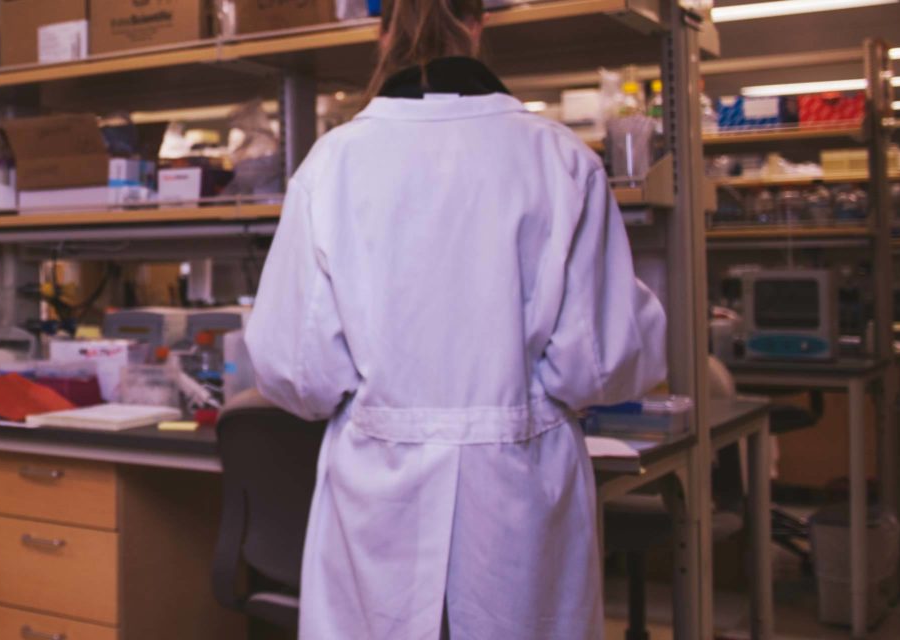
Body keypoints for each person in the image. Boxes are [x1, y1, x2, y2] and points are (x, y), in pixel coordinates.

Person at [244, 0, 666, 638]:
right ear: (480, 24)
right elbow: (597, 362)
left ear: (382, 31)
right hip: (516, 491)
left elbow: (298, 371)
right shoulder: (559, 159)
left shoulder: (334, 163)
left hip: (380, 493)